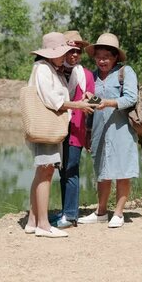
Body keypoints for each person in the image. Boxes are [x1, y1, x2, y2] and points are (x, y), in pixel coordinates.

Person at [24, 32, 94, 238]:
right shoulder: (44, 69)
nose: (66, 56)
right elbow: (53, 100)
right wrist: (78, 104)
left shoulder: (51, 69)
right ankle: (43, 225)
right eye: (64, 51)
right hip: (46, 128)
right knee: (45, 172)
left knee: (43, 172)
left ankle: (33, 220)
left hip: (52, 129)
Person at [78, 33, 139, 228]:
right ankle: (101, 211)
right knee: (102, 171)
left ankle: (119, 213)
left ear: (115, 57)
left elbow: (130, 98)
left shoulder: (125, 72)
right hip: (99, 130)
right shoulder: (92, 76)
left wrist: (109, 102)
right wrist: (91, 98)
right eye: (98, 56)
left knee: (122, 170)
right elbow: (97, 105)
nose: (102, 60)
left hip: (121, 129)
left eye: (106, 56)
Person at [53, 30, 95, 229]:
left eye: (78, 51)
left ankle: (70, 215)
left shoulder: (85, 75)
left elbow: (93, 104)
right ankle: (64, 212)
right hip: (56, 128)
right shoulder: (54, 71)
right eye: (71, 50)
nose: (75, 54)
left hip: (76, 129)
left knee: (71, 170)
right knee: (61, 170)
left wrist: (89, 96)